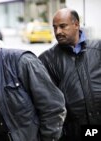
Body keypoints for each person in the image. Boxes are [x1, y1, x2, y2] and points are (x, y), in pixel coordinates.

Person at [38, 8, 101, 141]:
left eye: (62, 26)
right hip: (72, 133)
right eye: (55, 28)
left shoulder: (98, 49)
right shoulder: (46, 60)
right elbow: (45, 103)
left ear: (76, 24)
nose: (58, 32)